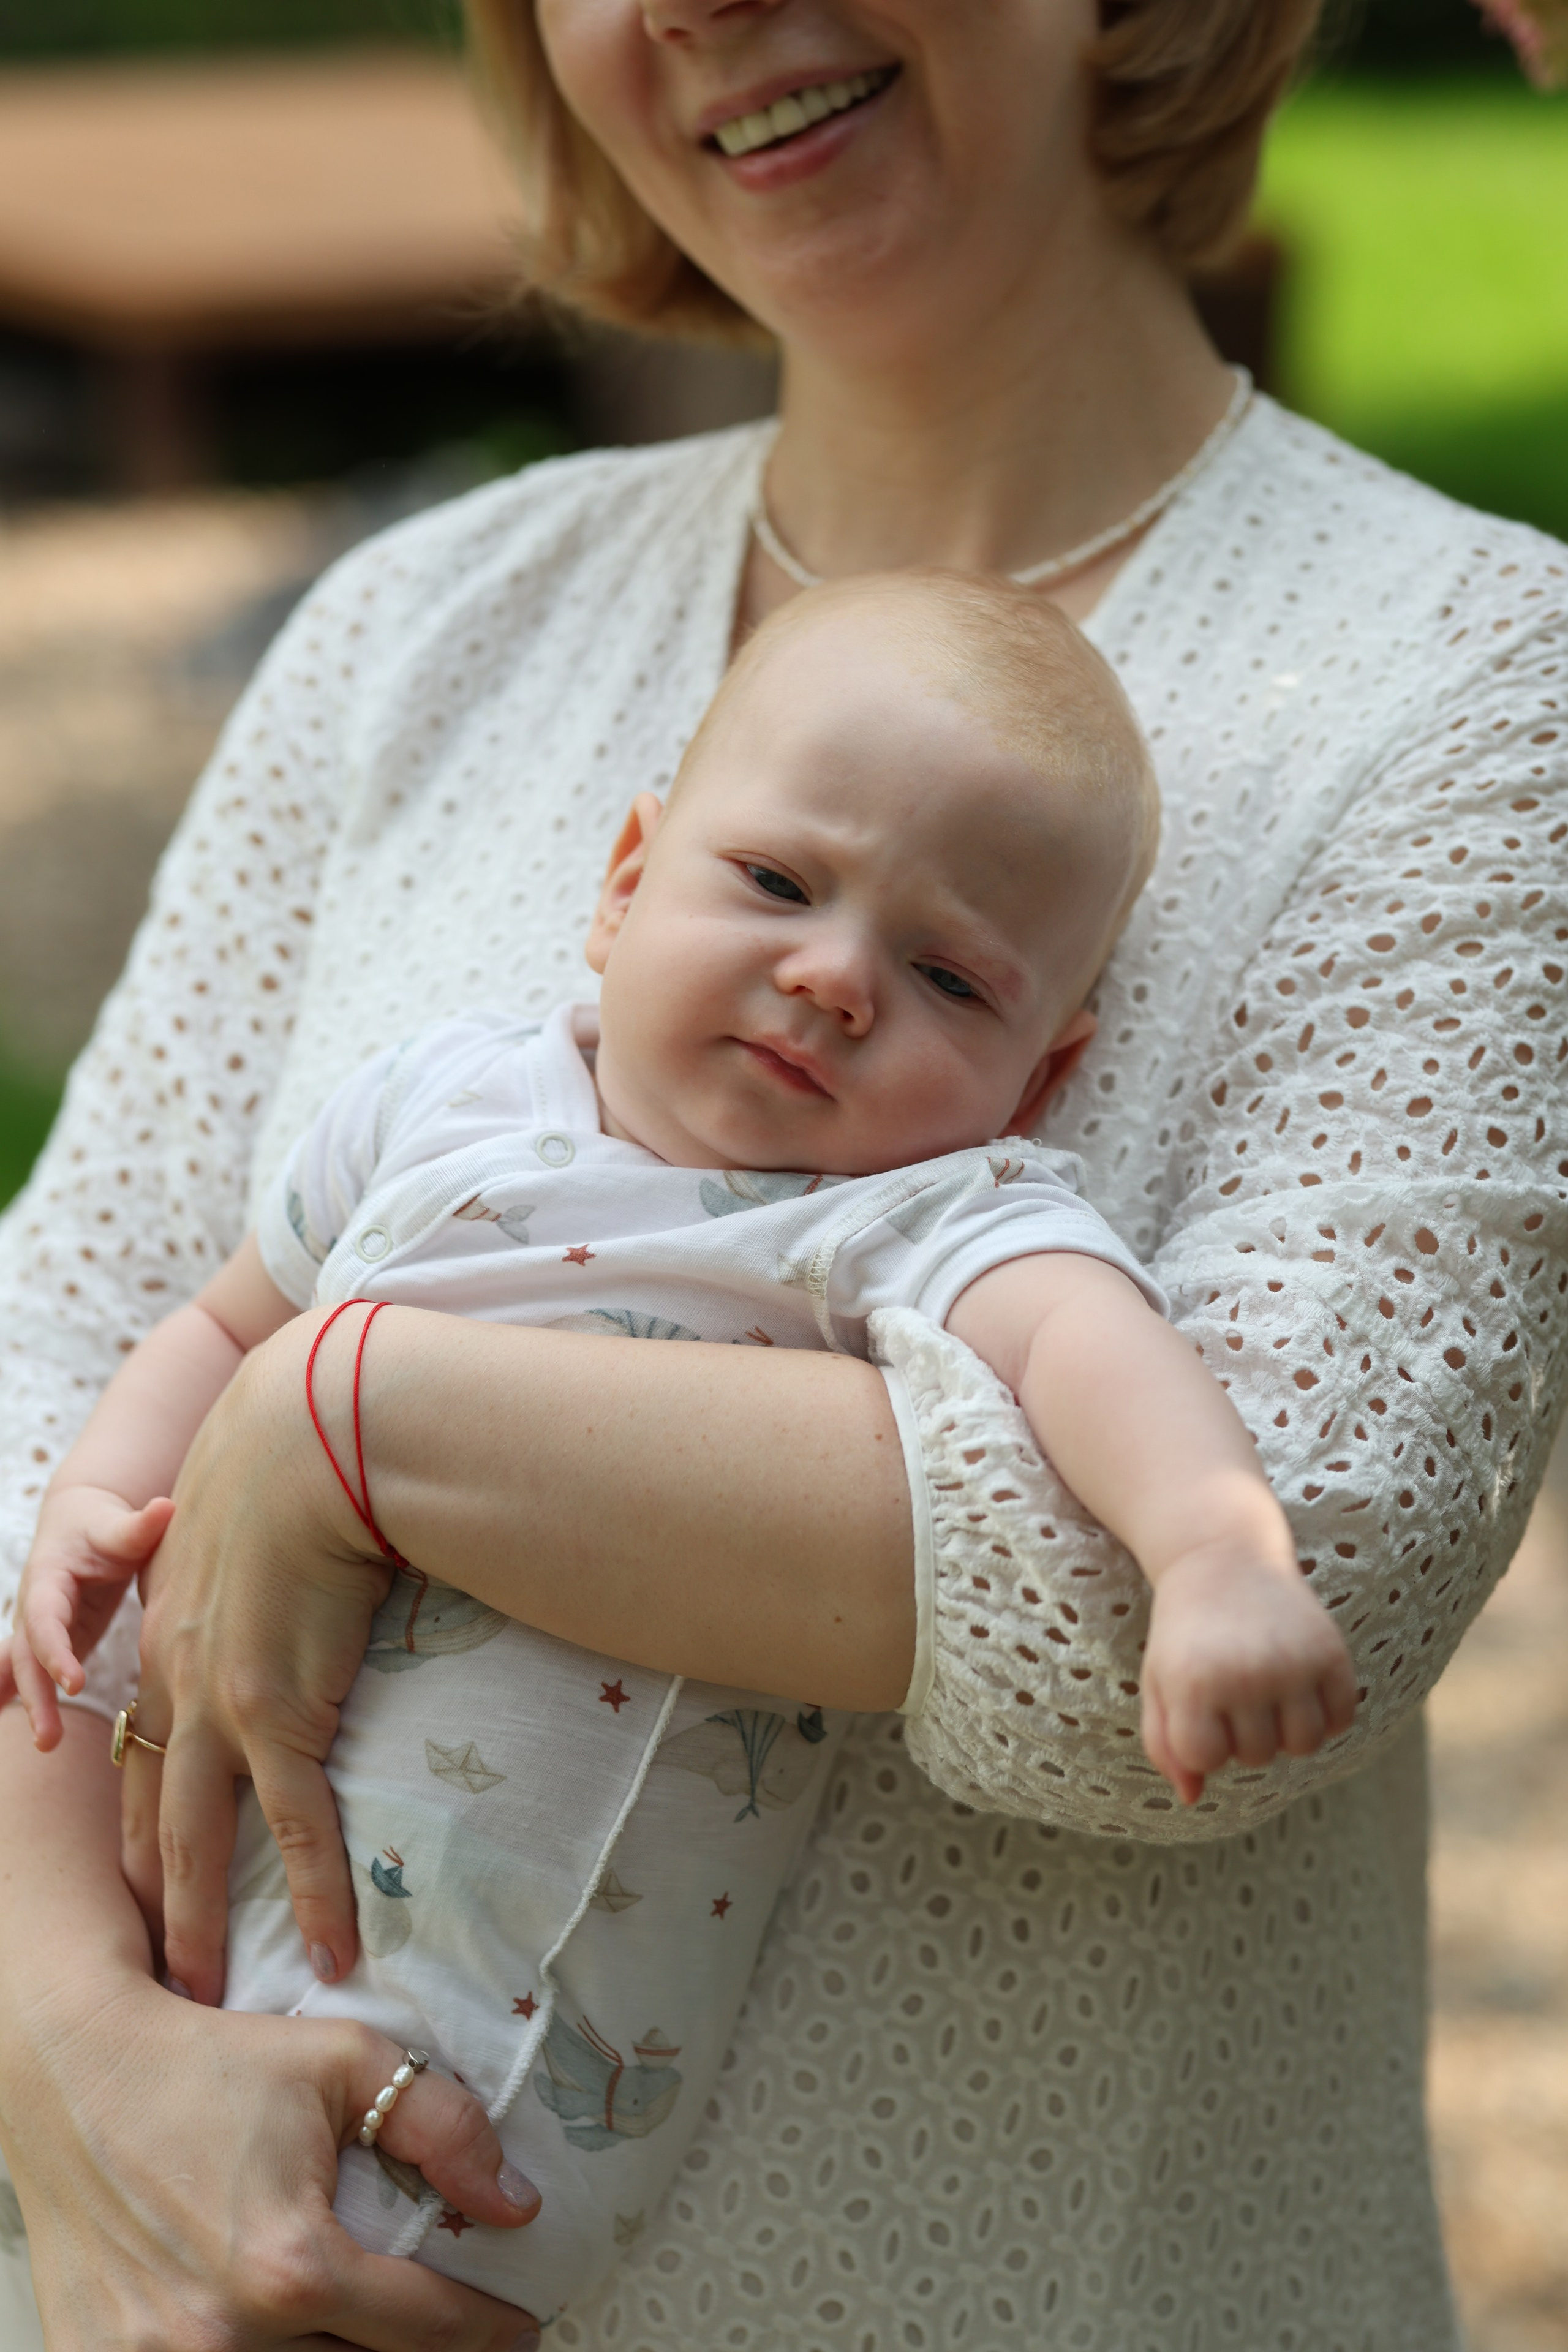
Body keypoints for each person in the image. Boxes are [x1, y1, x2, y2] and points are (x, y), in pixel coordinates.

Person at [0, 2, 1562, 2345]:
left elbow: (1252, 1582)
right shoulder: (424, 631)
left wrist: (353, 1418)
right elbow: (45, 1372)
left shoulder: (1481, 683)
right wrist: (71, 2057)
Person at [5, 571, 1357, 2321]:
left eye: (947, 974)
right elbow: (213, 1323)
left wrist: (1219, 1558)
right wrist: (96, 1504)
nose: (832, 976)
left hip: (503, 2057)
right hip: (178, 1906)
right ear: (629, 878)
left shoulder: (906, 1221)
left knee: (339, 2284)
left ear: (1035, 1077)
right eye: (780, 883)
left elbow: (1105, 1354)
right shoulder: (438, 1106)